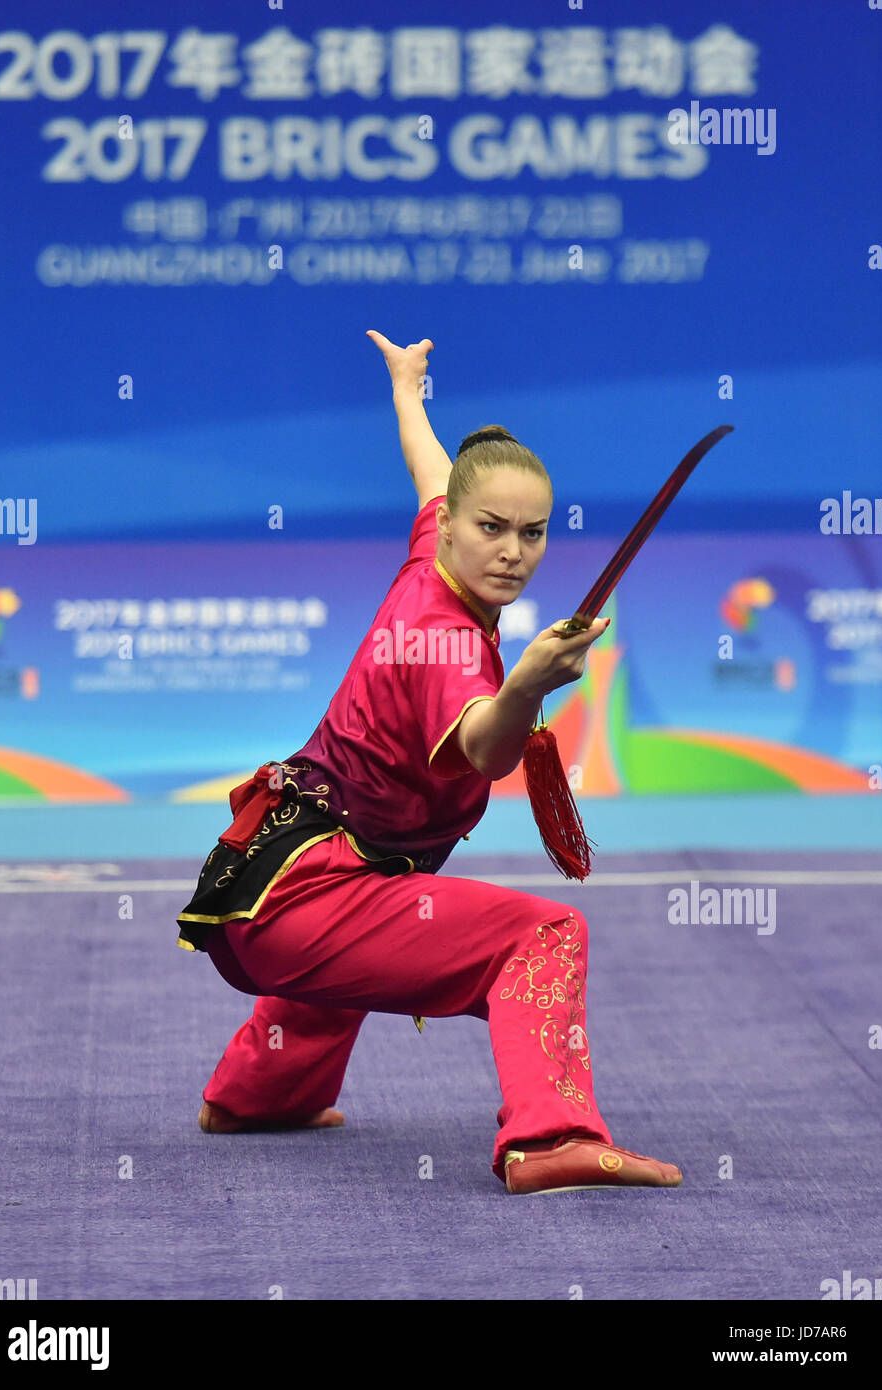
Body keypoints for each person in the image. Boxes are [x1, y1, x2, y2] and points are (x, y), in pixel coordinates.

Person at [174, 331, 682, 1196]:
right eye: (491, 528)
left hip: (267, 889)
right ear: (451, 526)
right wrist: (525, 686)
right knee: (542, 934)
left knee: (372, 906)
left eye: (532, 532)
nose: (512, 550)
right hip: (296, 902)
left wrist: (408, 389)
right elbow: (484, 746)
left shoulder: (430, 558)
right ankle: (551, 1136)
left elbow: (429, 464)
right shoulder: (447, 642)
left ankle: (259, 1094)